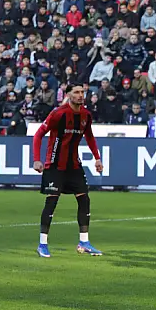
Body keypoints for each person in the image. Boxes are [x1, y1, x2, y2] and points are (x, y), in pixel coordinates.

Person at [32, 84, 103, 258]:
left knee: (84, 199)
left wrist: (97, 158)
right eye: (76, 92)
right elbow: (38, 135)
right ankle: (42, 244)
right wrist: (36, 159)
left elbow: (90, 137)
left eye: (82, 92)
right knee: (51, 202)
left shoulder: (86, 115)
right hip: (55, 165)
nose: (80, 95)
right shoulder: (58, 114)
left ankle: (84, 243)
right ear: (68, 95)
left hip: (74, 165)